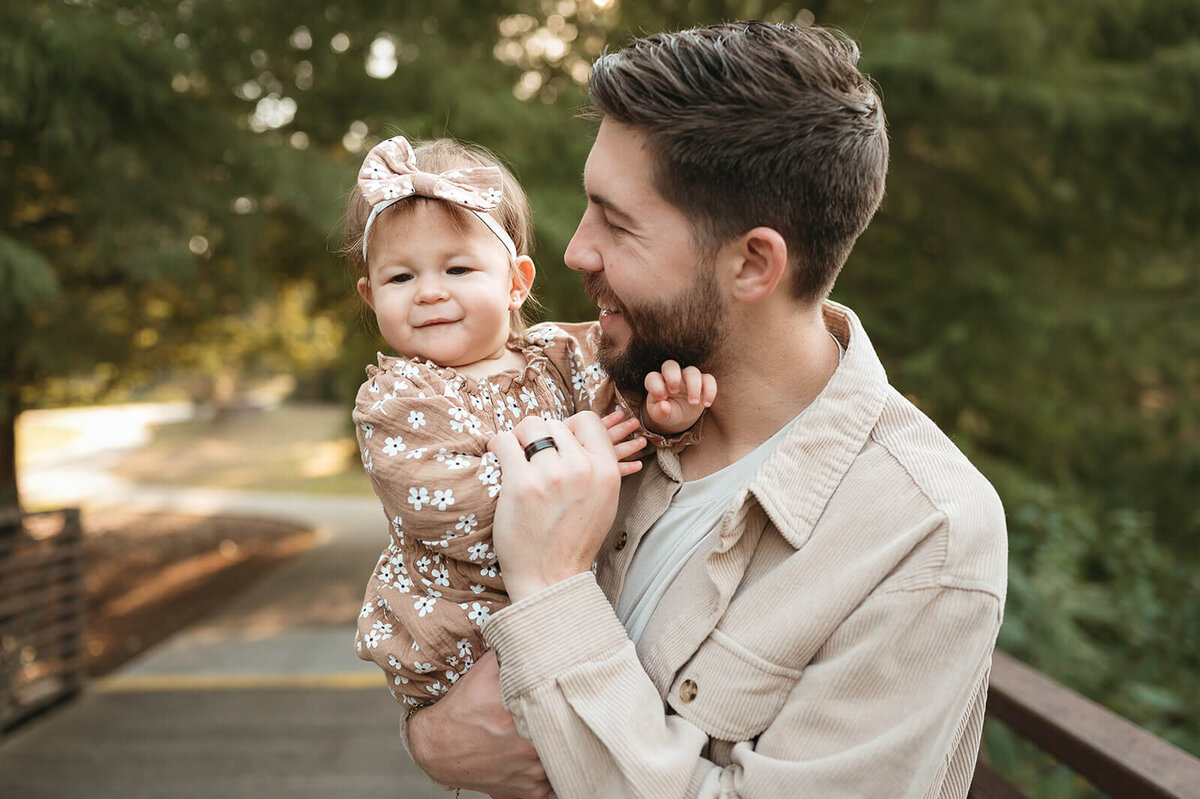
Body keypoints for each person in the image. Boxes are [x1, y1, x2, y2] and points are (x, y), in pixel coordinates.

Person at [403, 20, 1008, 799]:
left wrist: (552, 586)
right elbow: (449, 635)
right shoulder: (592, 389)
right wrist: (430, 732)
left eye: (617, 223)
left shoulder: (923, 533)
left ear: (753, 262)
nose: (575, 252)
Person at [344, 135, 717, 706]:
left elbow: (618, 432)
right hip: (462, 639)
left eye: (458, 267)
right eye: (401, 278)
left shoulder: (563, 355)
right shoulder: (398, 398)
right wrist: (575, 458)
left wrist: (662, 419)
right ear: (371, 297)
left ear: (517, 282)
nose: (429, 292)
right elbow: (447, 508)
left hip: (568, 617)